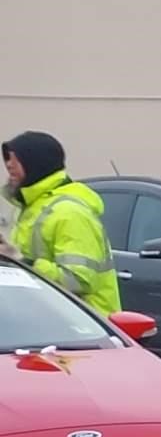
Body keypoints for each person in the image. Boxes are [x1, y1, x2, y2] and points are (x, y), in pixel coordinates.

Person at [3, 131, 120, 313]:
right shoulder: (29, 208)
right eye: (7, 160)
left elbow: (78, 280)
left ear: (35, 164)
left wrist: (22, 263)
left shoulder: (70, 213)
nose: (8, 165)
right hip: (50, 324)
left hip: (85, 331)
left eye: (15, 160)